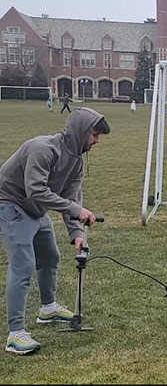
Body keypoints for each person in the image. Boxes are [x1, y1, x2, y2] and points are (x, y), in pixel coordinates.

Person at [0, 107, 109, 355]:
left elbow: (71, 198)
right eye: (94, 135)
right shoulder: (42, 149)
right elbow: (36, 190)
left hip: (35, 210)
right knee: (23, 265)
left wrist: (77, 234)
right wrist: (76, 209)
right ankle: (15, 334)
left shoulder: (77, 161)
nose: (96, 141)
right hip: (9, 204)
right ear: (81, 132)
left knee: (50, 256)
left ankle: (48, 309)